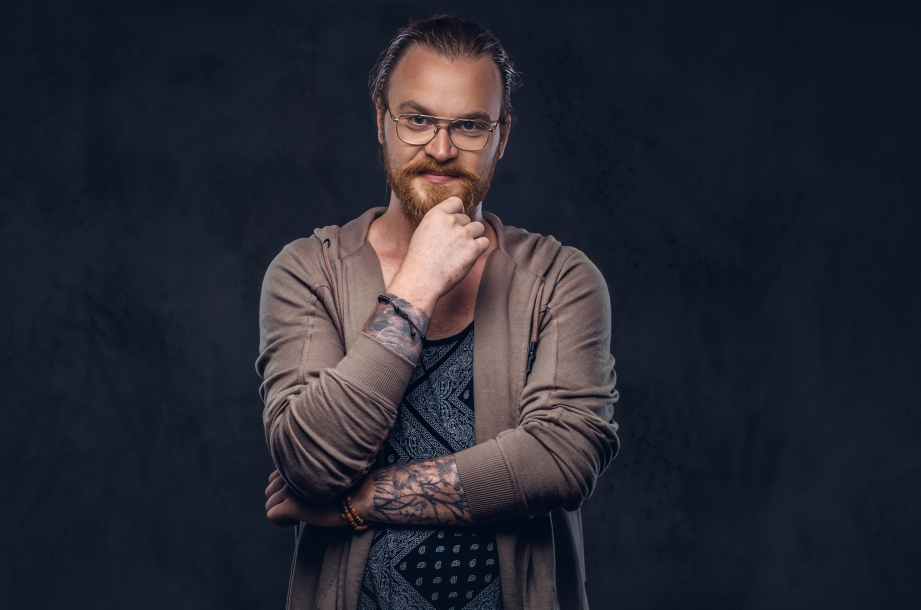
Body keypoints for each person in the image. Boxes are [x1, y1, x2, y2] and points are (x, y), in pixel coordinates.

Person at [256, 15, 619, 610]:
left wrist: (358, 504)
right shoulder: (309, 270)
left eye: (471, 125)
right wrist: (417, 288)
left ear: (503, 134)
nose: (442, 149)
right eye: (418, 119)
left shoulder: (560, 279)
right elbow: (311, 463)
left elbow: (561, 459)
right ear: (381, 121)